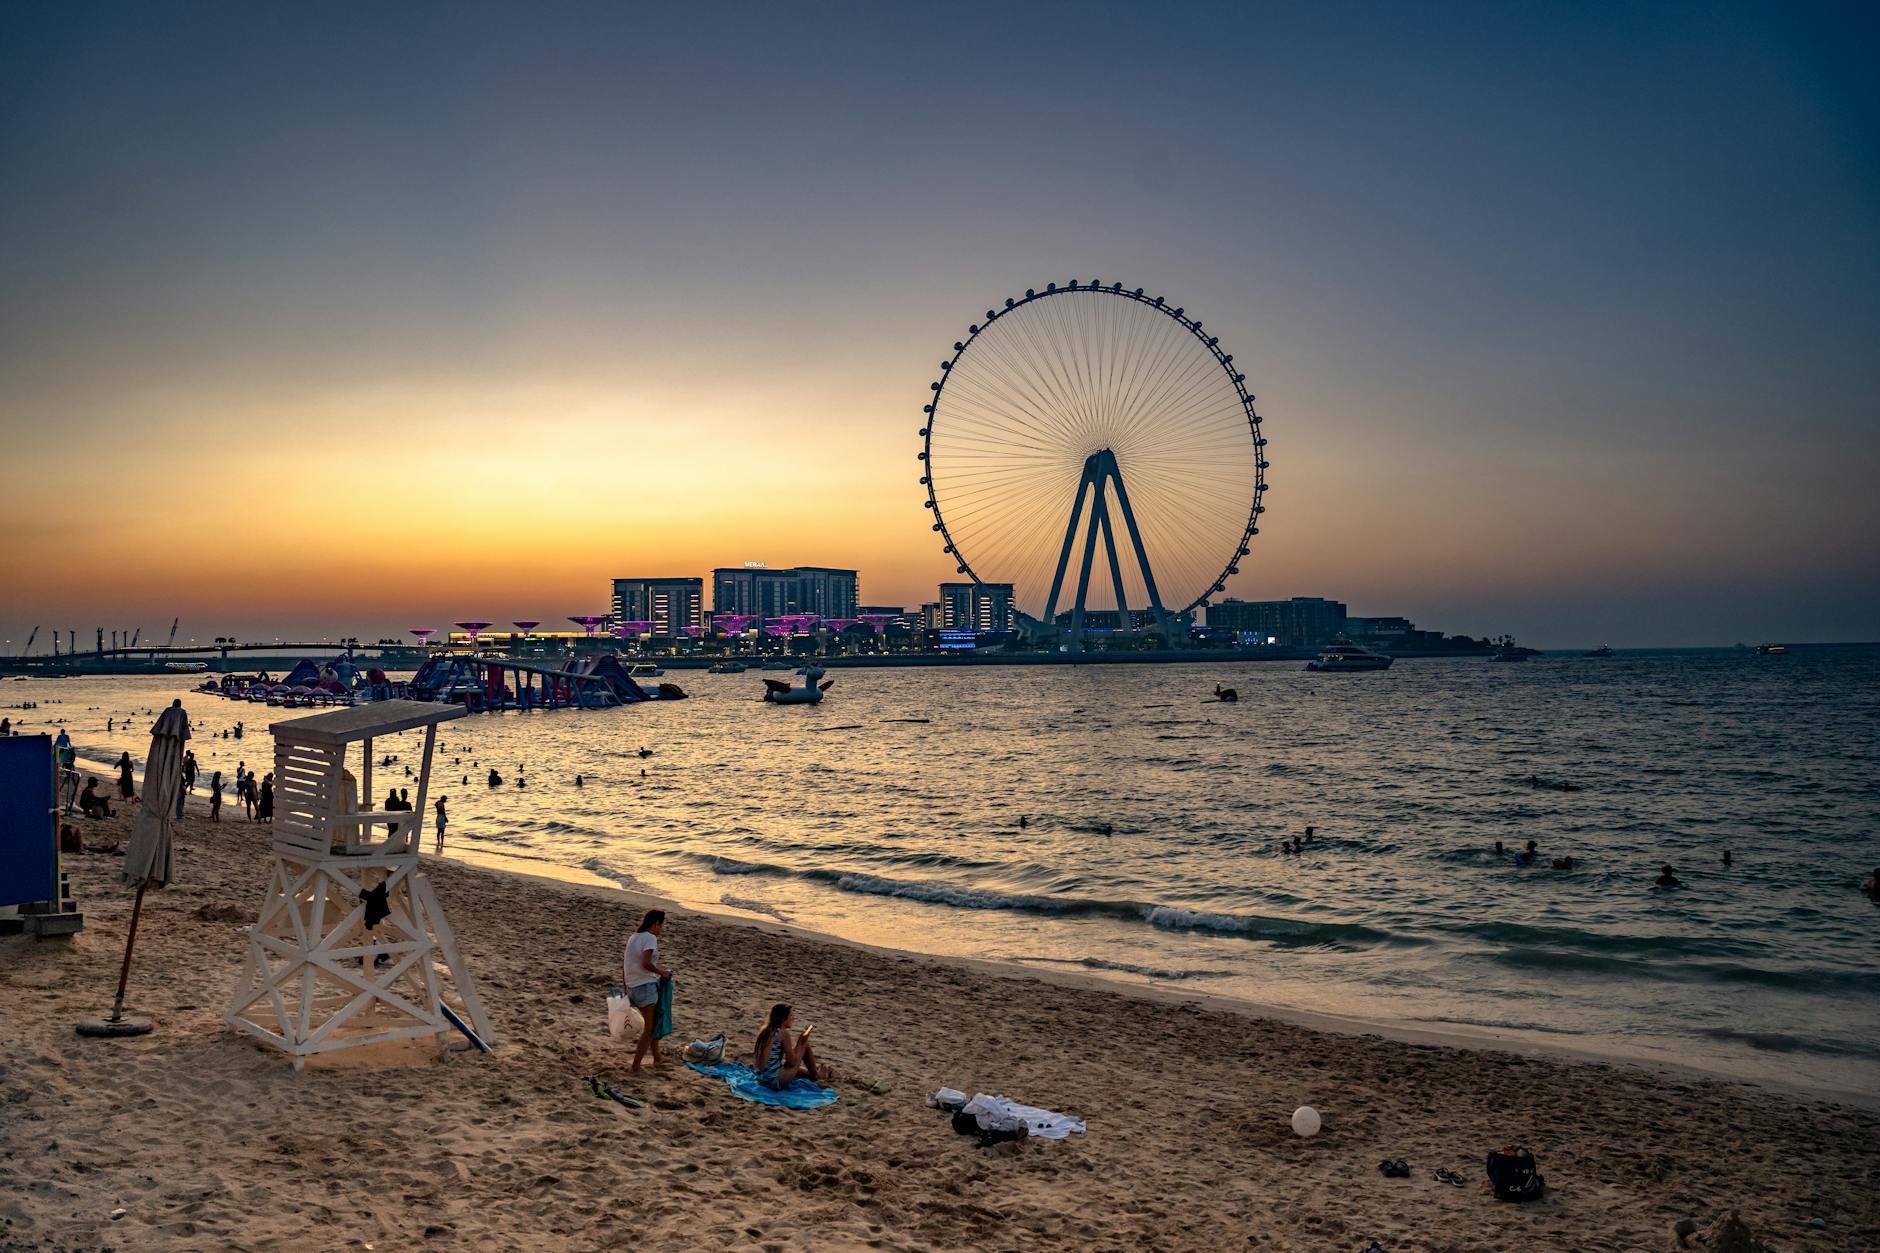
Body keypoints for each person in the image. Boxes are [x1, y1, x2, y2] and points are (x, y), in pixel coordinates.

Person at [623, 909, 672, 1073]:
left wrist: (627, 987)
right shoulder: (650, 938)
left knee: (654, 1022)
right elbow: (646, 963)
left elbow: (626, 964)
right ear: (656, 923)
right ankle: (636, 1066)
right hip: (645, 988)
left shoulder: (634, 937)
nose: (661, 929)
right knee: (650, 1029)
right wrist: (662, 973)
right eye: (661, 925)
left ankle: (657, 1057)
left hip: (632, 987)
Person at [754, 1003, 830, 1090]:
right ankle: (816, 1075)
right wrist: (801, 1041)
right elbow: (792, 1062)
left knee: (783, 1062)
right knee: (804, 1045)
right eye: (791, 1015)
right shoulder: (783, 1033)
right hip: (773, 1082)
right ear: (783, 1018)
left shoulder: (765, 1030)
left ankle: (812, 1072)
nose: (793, 1018)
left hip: (761, 1079)